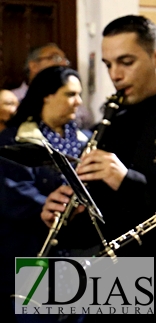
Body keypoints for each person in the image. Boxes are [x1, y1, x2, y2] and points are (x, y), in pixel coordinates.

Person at [41, 15, 156, 323]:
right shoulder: (112, 121)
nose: (115, 75)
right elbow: (105, 218)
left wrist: (126, 180)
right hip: (108, 286)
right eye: (108, 64)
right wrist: (67, 217)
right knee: (30, 294)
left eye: (125, 62)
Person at [0, 67, 88, 323]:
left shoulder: (88, 139)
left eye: (79, 94)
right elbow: (12, 192)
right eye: (70, 94)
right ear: (46, 96)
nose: (78, 102)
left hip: (80, 254)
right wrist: (54, 207)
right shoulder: (12, 140)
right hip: (32, 253)